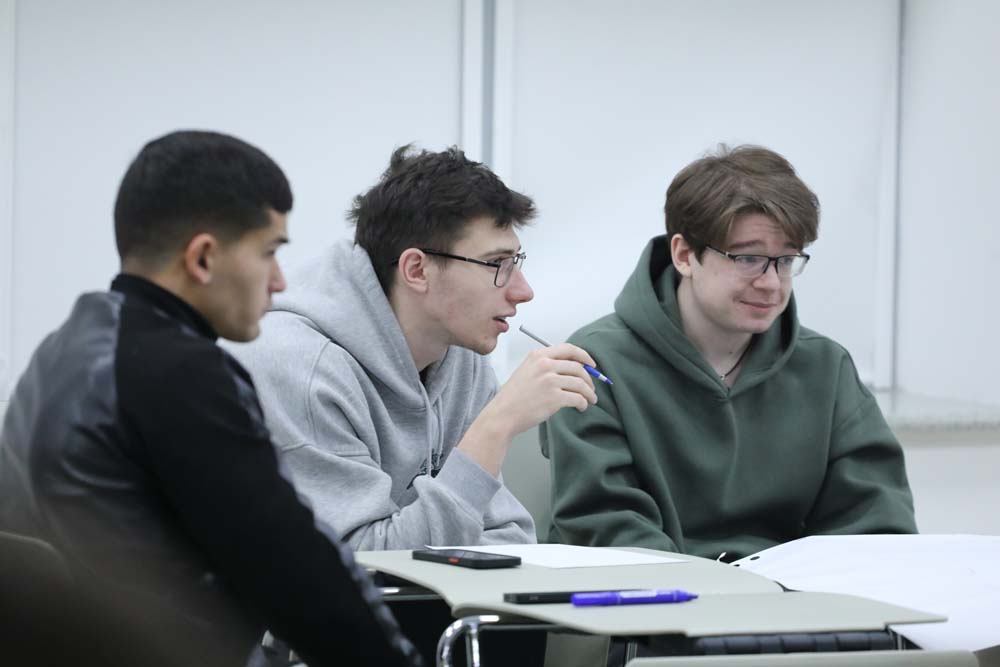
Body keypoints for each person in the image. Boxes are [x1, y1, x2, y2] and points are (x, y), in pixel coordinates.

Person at [0, 130, 420, 667]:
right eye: (269, 252)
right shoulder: (181, 373)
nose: (279, 281)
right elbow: (295, 570)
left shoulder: (61, 351)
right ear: (202, 258)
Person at [543, 144, 916, 562]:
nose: (771, 283)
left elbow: (877, 525)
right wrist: (715, 590)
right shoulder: (594, 362)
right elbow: (604, 524)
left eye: (786, 260)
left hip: (791, 595)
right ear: (685, 255)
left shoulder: (826, 368)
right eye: (749, 258)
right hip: (656, 594)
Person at [228, 145, 597, 551]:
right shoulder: (301, 368)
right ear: (417, 270)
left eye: (517, 262)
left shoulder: (460, 352)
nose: (523, 291)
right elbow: (363, 560)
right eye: (497, 264)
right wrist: (498, 423)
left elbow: (507, 534)